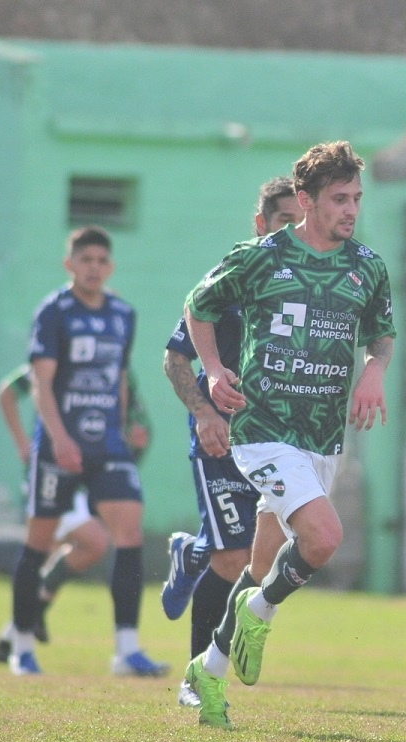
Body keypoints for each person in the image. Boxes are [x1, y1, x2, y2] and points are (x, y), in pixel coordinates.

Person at [181, 142, 395, 728]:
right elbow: (198, 308)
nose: (351, 209)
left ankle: (207, 670)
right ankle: (261, 613)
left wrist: (374, 369)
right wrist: (217, 370)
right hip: (264, 429)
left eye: (356, 197)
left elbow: (381, 334)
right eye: (338, 199)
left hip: (321, 437)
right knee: (324, 538)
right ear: (305, 201)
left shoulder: (367, 266)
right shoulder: (259, 257)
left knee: (261, 563)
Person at [161, 177, 301, 708]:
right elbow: (176, 358)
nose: (295, 232)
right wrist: (202, 414)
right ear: (261, 224)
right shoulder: (229, 280)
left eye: (300, 222)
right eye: (285, 221)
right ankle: (196, 676)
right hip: (221, 437)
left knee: (257, 559)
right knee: (234, 555)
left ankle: (189, 552)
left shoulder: (306, 289)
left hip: (275, 443)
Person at [5, 226, 168, 676]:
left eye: (101, 260)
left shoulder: (122, 313)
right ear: (69, 265)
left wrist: (119, 432)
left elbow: (117, 378)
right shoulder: (54, 312)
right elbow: (39, 382)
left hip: (107, 447)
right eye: (85, 260)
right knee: (39, 543)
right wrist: (57, 439)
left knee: (129, 533)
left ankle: (126, 649)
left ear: (110, 267)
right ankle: (19, 645)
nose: (93, 267)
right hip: (60, 446)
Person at [0, 363, 151, 661]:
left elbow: (135, 428)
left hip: (89, 478)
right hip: (52, 470)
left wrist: (133, 439)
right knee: (82, 543)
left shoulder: (118, 369)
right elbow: (8, 393)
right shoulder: (54, 355)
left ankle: (14, 634)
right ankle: (27, 623)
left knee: (90, 546)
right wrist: (22, 444)